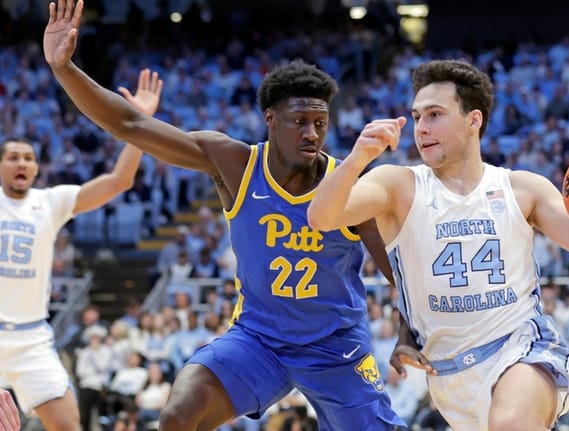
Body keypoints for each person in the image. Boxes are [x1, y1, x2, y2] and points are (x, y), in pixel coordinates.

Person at [43, 2, 406, 430]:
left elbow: (400, 275)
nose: (311, 133)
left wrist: (405, 330)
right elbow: (130, 125)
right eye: (299, 121)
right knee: (179, 414)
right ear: (270, 119)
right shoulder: (234, 164)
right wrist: (64, 68)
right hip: (258, 340)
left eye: (320, 123)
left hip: (334, 346)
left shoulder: (348, 186)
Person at [307, 59, 569, 431]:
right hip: (448, 377)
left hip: (521, 349)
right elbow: (321, 217)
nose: (421, 128)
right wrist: (356, 160)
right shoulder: (398, 186)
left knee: (509, 423)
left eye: (434, 115)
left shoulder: (522, 189)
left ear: (473, 120)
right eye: (417, 117)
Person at [0, 65, 161, 431]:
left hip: (30, 339)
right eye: (12, 157)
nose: (22, 162)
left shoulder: (51, 201)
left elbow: (120, 181)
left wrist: (139, 123)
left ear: (38, 168)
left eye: (28, 157)